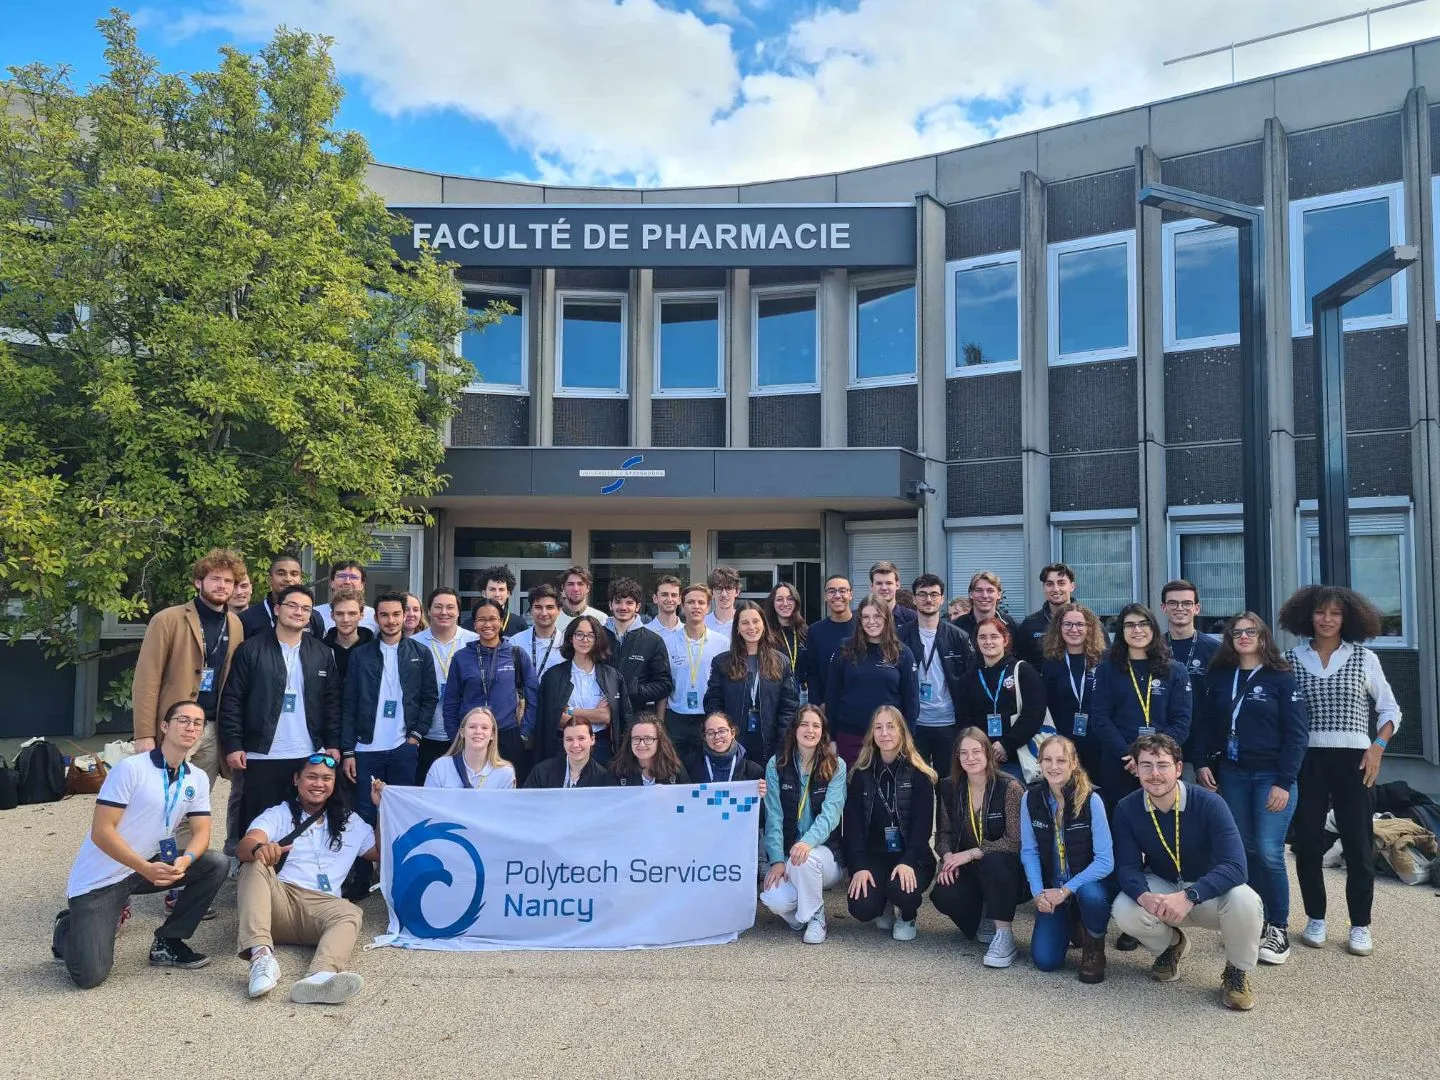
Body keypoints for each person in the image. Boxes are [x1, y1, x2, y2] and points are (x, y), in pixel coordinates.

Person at [53, 701, 229, 988]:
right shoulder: (131, 769)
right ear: (164, 727)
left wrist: (185, 860)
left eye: (197, 723)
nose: (191, 727)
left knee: (215, 863)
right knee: (90, 977)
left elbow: (201, 832)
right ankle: (67, 928)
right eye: (183, 720)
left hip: (148, 864)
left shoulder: (194, 777)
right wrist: (144, 867)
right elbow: (101, 832)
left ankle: (168, 943)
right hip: (103, 876)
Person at [1278, 585, 1401, 959]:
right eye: (1320, 612)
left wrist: (1377, 748)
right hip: (1308, 760)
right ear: (1307, 616)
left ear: (1347, 617)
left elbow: (1390, 710)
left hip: (1354, 761)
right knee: (1308, 843)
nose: (1327, 619)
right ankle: (1316, 917)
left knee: (1358, 843)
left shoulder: (1364, 657)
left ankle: (1360, 925)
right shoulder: (1290, 659)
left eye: (1335, 613)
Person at [1110, 734, 1263, 1011]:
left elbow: (1237, 865)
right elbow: (1127, 866)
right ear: (1135, 767)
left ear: (1178, 768)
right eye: (1146, 765)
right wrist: (1144, 897)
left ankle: (1236, 971)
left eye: (1162, 765)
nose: (1154, 774)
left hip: (1208, 894)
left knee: (1245, 900)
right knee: (1124, 906)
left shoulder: (1209, 803)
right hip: (1165, 888)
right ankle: (1172, 945)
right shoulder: (1127, 808)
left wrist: (1191, 895)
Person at [1195, 612, 1309, 965]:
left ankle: (1278, 927)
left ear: (1263, 636)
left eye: (1251, 631)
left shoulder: (1281, 678)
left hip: (1271, 775)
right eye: (1236, 632)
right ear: (1229, 638)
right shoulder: (1220, 675)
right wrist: (1201, 762)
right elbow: (1206, 723)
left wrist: (1284, 782)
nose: (1243, 637)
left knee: (1269, 850)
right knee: (1243, 848)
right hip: (1233, 772)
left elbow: (1297, 735)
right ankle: (1254, 919)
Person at [236, 753, 376, 1004]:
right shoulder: (279, 814)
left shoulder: (351, 821)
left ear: (334, 784)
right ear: (296, 779)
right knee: (253, 864)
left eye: (326, 778)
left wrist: (383, 807)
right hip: (282, 902)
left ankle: (320, 977)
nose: (318, 784)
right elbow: (246, 845)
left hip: (323, 909)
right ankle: (261, 958)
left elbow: (382, 853)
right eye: (311, 777)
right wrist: (260, 849)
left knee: (351, 912)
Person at [221, 585, 342, 832]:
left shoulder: (322, 653)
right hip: (261, 753)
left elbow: (331, 703)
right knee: (257, 821)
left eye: (306, 608)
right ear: (277, 609)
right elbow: (233, 699)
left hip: (308, 751)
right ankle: (253, 871)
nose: (299, 612)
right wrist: (233, 744)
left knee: (301, 824)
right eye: (292, 606)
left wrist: (332, 743)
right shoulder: (250, 649)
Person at [339, 592, 437, 893]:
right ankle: (362, 876)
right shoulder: (361, 654)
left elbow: (428, 697)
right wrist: (348, 750)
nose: (392, 620)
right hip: (367, 747)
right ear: (376, 618)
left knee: (400, 812)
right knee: (364, 813)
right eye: (385, 615)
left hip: (402, 748)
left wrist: (414, 737)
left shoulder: (420, 652)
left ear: (405, 615)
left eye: (397, 614)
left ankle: (398, 875)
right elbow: (350, 703)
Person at [131, 549, 246, 781]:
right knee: (162, 799)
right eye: (215, 579)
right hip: (175, 726)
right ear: (198, 582)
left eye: (228, 581)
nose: (222, 585)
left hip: (212, 727)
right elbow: (147, 679)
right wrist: (144, 734)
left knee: (195, 800)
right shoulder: (168, 619)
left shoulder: (235, 624)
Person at [1021, 735, 1116, 982]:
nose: (1054, 767)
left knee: (1091, 896)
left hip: (1085, 883)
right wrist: (1038, 893)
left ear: (1074, 763)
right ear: (1039, 763)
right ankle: (1073, 923)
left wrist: (1065, 891)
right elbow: (1029, 851)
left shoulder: (1091, 799)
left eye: (1061, 760)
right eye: (1048, 760)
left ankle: (1094, 945)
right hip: (1053, 888)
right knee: (1045, 961)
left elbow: (1105, 861)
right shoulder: (1030, 799)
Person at [929, 728, 1026, 967]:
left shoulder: (1009, 787)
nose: (970, 758)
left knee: (993, 860)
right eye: (964, 753)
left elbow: (1015, 841)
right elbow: (943, 834)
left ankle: (1004, 935)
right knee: (942, 893)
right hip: (968, 866)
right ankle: (983, 914)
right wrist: (949, 856)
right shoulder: (949, 787)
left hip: (1006, 868)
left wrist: (972, 853)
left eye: (976, 751)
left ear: (988, 753)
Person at [844, 706, 938, 941]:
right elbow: (853, 827)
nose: (884, 733)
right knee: (862, 907)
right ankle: (882, 903)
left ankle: (907, 914)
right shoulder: (860, 775)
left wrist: (908, 861)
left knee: (902, 890)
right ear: (872, 735)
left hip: (911, 856)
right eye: (878, 727)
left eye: (890, 726)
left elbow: (922, 827)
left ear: (902, 732)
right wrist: (859, 866)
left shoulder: (919, 775)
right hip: (874, 856)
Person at [1090, 603, 1193, 810]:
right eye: (1130, 625)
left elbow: (1182, 721)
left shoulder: (1175, 670)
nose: (1137, 630)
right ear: (1121, 631)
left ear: (1153, 628)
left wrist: (1151, 756)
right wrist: (1130, 755)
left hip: (1161, 764)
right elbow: (1100, 718)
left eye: (1143, 624)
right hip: (1120, 762)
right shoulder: (1107, 669)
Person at [759, 705, 848, 943]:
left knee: (805, 860)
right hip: (790, 856)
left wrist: (807, 843)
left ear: (823, 732)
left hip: (825, 855)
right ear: (795, 729)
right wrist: (777, 859)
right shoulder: (776, 765)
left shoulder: (836, 765)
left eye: (816, 726)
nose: (810, 730)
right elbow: (774, 815)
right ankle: (802, 916)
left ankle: (817, 916)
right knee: (773, 898)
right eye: (805, 724)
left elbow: (831, 814)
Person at [442, 597, 539, 782]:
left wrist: (525, 733)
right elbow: (451, 701)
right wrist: (456, 736)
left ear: (501, 622)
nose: (488, 624)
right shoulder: (461, 658)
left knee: (509, 793)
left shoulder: (516, 654)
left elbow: (533, 696)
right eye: (482, 619)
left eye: (493, 619)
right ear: (474, 624)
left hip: (508, 736)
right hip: (472, 737)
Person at [824, 594, 919, 765]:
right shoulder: (845, 649)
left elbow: (911, 702)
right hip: (850, 736)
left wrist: (907, 739)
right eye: (866, 617)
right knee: (852, 789)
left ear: (887, 619)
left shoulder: (902, 653)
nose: (871, 621)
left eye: (877, 616)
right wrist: (831, 738)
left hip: (888, 738)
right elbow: (832, 695)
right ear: (859, 620)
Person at [704, 600, 799, 765]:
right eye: (745, 623)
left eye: (756, 621)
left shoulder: (781, 662)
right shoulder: (722, 662)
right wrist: (723, 736)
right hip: (732, 743)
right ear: (738, 629)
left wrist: (781, 745)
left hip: (770, 743)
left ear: (764, 625)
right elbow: (713, 703)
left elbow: (789, 708)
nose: (751, 627)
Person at [900, 574, 977, 775]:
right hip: (914, 723)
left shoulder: (958, 636)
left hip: (949, 722)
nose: (928, 599)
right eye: (922, 594)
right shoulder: (900, 636)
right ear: (914, 599)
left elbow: (969, 682)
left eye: (934, 594)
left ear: (942, 598)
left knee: (949, 782)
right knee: (917, 781)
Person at [953, 617, 1046, 782]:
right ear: (976, 642)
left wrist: (1005, 745)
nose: (988, 642)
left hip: (1016, 756)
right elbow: (963, 718)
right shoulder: (969, 677)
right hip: (979, 756)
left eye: (994, 636)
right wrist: (980, 748)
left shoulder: (1023, 671)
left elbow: (1033, 714)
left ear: (1005, 639)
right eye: (982, 637)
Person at [535, 615, 633, 764]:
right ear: (570, 638)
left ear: (597, 639)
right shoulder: (553, 676)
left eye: (590, 635)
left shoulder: (612, 676)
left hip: (601, 747)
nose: (584, 639)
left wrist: (570, 710)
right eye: (579, 634)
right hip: (564, 747)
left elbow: (609, 717)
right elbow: (557, 719)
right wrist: (596, 714)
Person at [411, 586, 479, 781]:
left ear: (458, 611)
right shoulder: (414, 643)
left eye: (450, 607)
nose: (444, 612)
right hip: (424, 733)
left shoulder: (473, 642)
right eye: (438, 607)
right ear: (429, 610)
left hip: (463, 732)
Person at [1040, 603, 1107, 781]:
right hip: (1063, 744)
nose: (1074, 629)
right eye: (1067, 624)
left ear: (1089, 628)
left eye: (1080, 624)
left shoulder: (1104, 661)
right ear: (1059, 628)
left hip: (1098, 743)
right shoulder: (1051, 663)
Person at [1161, 579, 1221, 774]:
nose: (1180, 608)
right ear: (1163, 608)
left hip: (1203, 748)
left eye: (1186, 603)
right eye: (1173, 603)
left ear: (1197, 608)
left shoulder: (1214, 650)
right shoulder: (1153, 648)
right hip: (1162, 745)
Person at [663, 583, 729, 760]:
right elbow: (664, 683)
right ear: (682, 606)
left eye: (701, 602)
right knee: (676, 770)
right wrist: (660, 721)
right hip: (676, 717)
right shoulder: (668, 642)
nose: (696, 607)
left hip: (709, 716)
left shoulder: (722, 643)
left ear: (708, 607)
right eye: (691, 602)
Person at [604, 577, 673, 719]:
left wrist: (634, 691)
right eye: (618, 602)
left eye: (629, 603)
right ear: (610, 605)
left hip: (638, 719)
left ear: (637, 606)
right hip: (602, 717)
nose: (623, 607)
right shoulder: (597, 637)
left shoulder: (652, 640)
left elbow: (664, 684)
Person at [424, 706, 516, 789]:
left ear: (492, 735)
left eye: (484, 728)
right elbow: (429, 804)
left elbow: (504, 807)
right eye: (472, 727)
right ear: (462, 732)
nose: (478, 731)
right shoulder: (440, 766)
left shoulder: (505, 773)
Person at [239, 553, 325, 638]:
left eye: (294, 574)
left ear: (300, 580)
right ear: (270, 580)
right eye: (281, 574)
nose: (288, 579)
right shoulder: (248, 617)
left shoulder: (313, 617)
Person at [524, 714, 618, 788]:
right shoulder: (541, 772)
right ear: (563, 741)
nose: (575, 745)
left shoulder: (603, 778)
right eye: (569, 739)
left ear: (592, 739)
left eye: (581, 738)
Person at [804, 574, 854, 711]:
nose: (837, 595)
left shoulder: (863, 626)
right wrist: (818, 704)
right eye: (831, 591)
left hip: (858, 705)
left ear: (851, 595)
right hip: (827, 708)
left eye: (843, 590)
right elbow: (812, 672)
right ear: (825, 596)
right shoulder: (815, 630)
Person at [1015, 562, 1078, 666]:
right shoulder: (1030, 625)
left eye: (1061, 583)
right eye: (1049, 584)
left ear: (1072, 586)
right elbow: (1020, 664)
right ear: (1044, 587)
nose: (1056, 589)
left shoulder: (1088, 621)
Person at [686, 710, 767, 786]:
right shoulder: (691, 766)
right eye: (710, 733)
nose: (717, 736)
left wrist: (762, 793)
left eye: (722, 731)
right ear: (704, 737)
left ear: (732, 733)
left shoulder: (752, 770)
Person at [509, 584, 569, 681]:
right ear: (531, 610)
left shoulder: (567, 643)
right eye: (538, 607)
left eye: (549, 607)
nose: (544, 613)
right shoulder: (516, 642)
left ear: (559, 610)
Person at [764, 581, 809, 703]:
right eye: (779, 599)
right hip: (774, 693)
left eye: (790, 599)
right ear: (772, 603)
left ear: (796, 602)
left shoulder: (805, 631)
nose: (785, 603)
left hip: (802, 693)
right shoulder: (764, 632)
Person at [613, 714, 691, 785]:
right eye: (636, 739)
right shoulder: (618, 771)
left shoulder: (675, 769)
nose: (642, 744)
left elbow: (689, 797)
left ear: (659, 741)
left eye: (648, 739)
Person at [321, 588, 373, 685]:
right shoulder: (321, 651)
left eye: (352, 613)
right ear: (332, 615)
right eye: (340, 614)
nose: (345, 619)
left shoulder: (375, 650)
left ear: (361, 615)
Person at [953, 571, 1018, 641]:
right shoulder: (957, 626)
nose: (985, 596)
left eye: (990, 590)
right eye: (979, 590)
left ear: (999, 595)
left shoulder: (1010, 625)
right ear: (971, 594)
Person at [315, 561, 377, 633]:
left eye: (353, 577)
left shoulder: (374, 616)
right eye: (341, 576)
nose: (347, 581)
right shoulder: (315, 613)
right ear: (332, 583)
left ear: (362, 585)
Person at [479, 565, 528, 638]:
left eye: (501, 589)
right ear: (484, 593)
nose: (497, 594)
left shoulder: (519, 624)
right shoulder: (470, 623)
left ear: (508, 593)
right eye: (492, 589)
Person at [869, 560, 916, 629]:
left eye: (889, 583)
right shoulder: (860, 618)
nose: (884, 588)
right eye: (879, 583)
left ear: (897, 585)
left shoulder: (912, 618)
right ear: (871, 586)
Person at [705, 565, 741, 638]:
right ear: (712, 592)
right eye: (718, 588)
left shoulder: (743, 621)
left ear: (737, 592)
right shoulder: (703, 623)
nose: (724, 594)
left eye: (729, 588)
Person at [650, 574, 684, 640]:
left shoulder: (688, 633)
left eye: (674, 595)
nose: (669, 599)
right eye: (664, 595)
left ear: (679, 600)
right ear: (655, 598)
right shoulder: (643, 633)